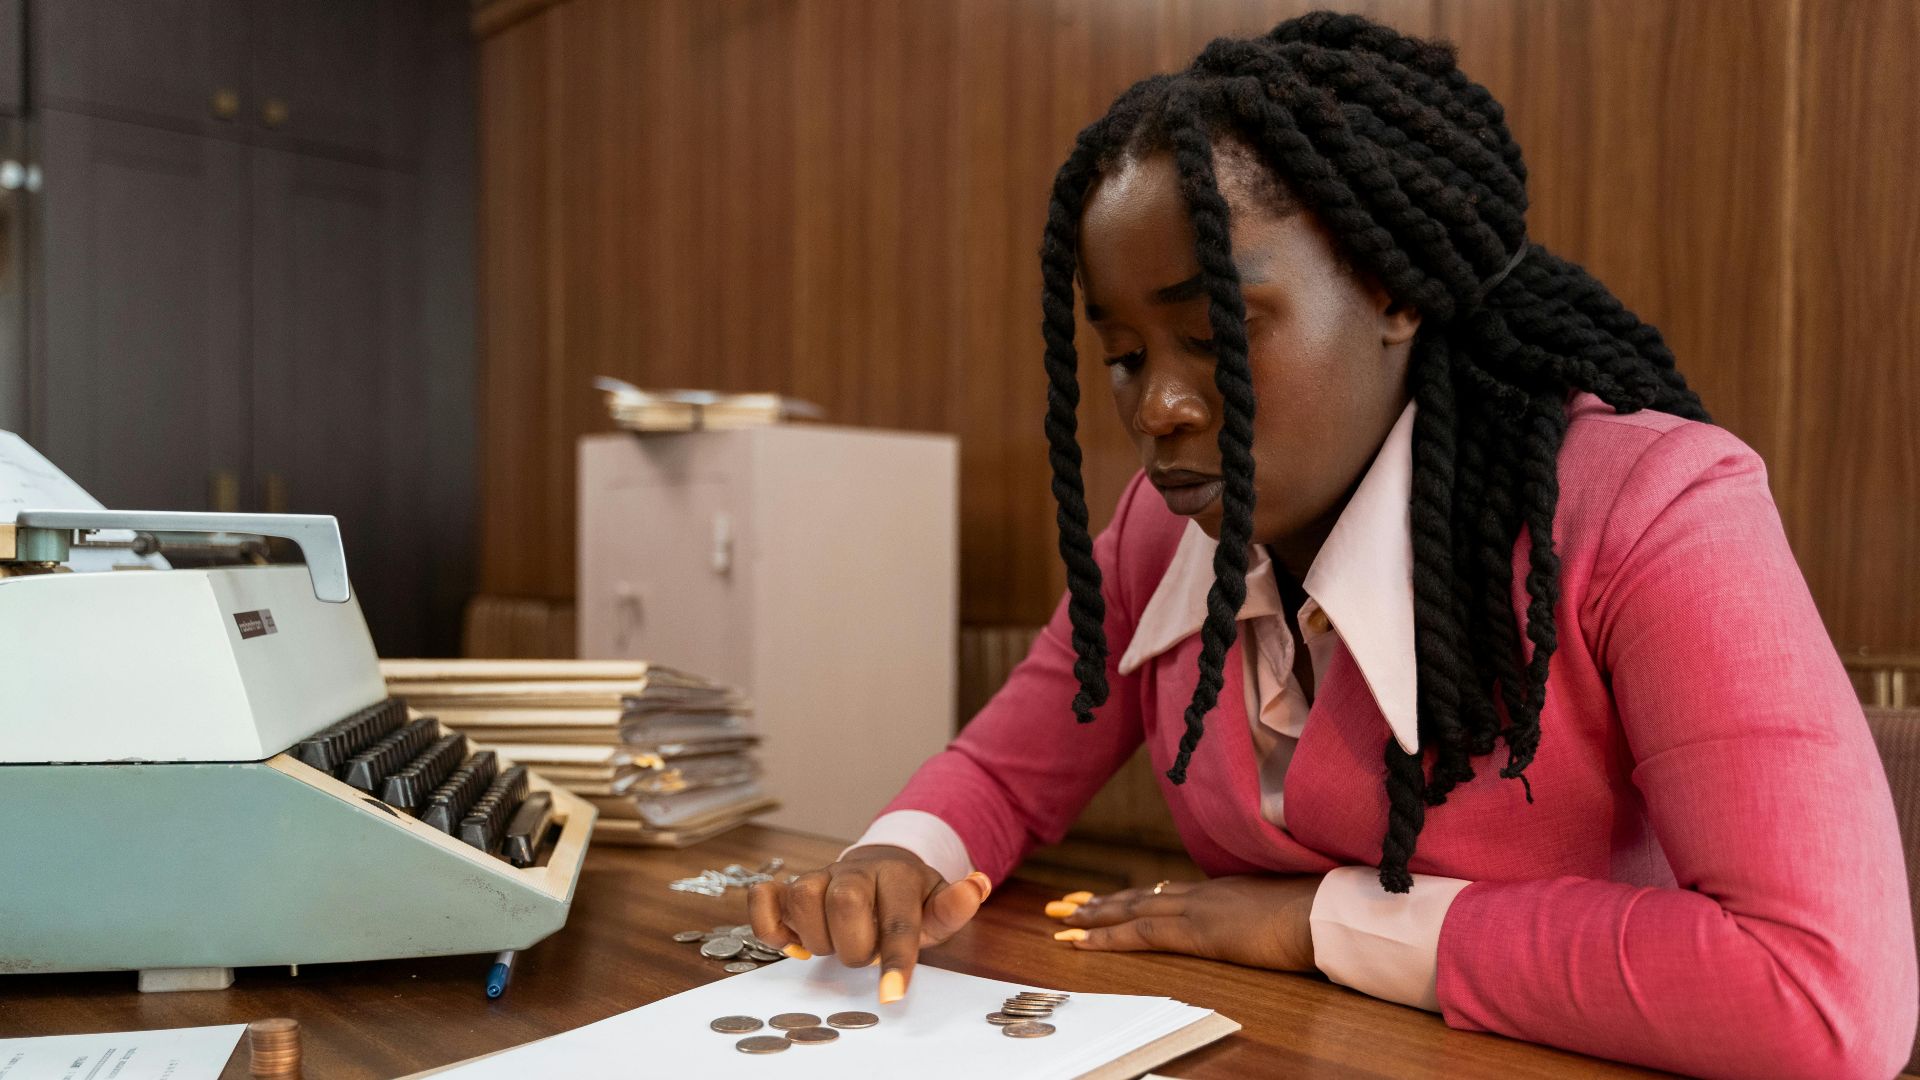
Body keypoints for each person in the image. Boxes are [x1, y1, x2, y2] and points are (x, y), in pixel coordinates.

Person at [747, 13, 1915, 1077]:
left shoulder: (1656, 508)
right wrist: (895, 855)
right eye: (1122, 355)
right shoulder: (1168, 529)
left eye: (1213, 334)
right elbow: (1004, 772)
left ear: (1394, 292)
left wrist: (1326, 924)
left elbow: (1825, 998)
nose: (1157, 407)